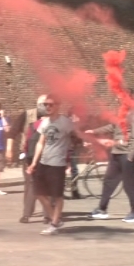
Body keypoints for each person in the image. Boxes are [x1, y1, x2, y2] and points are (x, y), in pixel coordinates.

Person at [27, 94, 87, 235]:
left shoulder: (65, 122)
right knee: (39, 193)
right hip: (44, 162)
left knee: (57, 195)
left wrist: (87, 142)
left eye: (50, 104)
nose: (47, 107)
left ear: (58, 106)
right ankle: (56, 218)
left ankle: (54, 224)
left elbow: (77, 136)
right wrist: (34, 162)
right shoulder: (45, 122)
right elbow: (41, 143)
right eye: (45, 104)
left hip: (57, 164)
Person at [87, 95, 134, 223]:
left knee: (129, 184)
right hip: (116, 152)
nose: (117, 100)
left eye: (120, 98)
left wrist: (131, 155)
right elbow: (112, 127)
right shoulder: (120, 114)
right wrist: (94, 131)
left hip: (126, 154)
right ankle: (102, 209)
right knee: (109, 180)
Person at [19, 95, 47, 224]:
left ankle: (26, 214)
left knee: (32, 186)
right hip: (46, 158)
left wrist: (25, 155)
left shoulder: (33, 125)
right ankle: (48, 215)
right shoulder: (54, 124)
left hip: (31, 158)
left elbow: (27, 141)